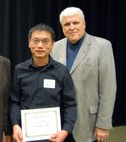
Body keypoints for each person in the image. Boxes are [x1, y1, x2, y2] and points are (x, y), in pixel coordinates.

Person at [50, 7, 117, 142]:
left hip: (88, 123)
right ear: (62, 28)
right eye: (67, 24)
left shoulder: (102, 46)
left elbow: (108, 89)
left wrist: (103, 124)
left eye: (76, 23)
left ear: (84, 24)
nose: (72, 27)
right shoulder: (54, 48)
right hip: (60, 123)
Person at [10, 23, 77, 142]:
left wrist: (66, 130)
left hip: (54, 137)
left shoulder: (62, 71)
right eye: (35, 41)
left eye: (45, 41)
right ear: (29, 43)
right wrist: (15, 125)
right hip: (26, 136)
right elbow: (14, 101)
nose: (40, 45)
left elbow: (70, 104)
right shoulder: (19, 70)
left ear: (52, 44)